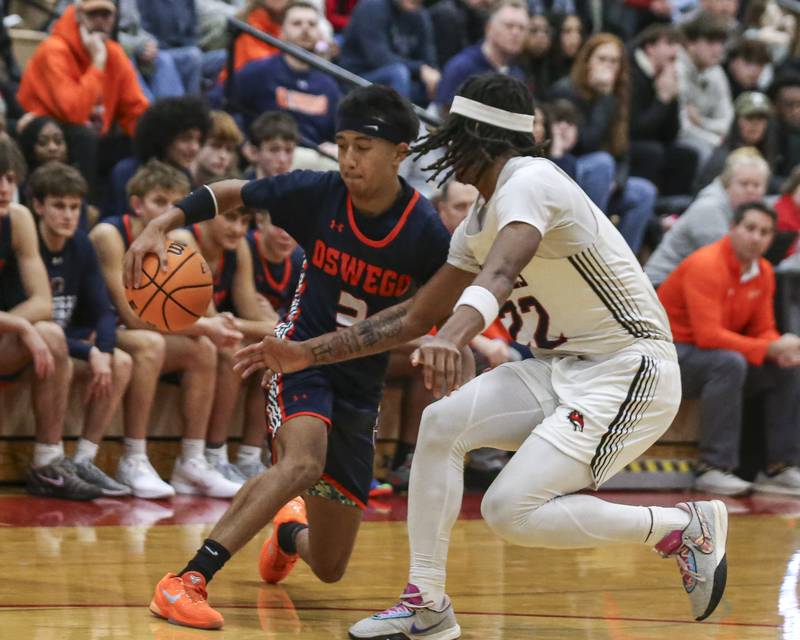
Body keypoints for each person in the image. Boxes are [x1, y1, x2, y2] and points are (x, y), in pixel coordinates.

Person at [223, 73, 728, 636]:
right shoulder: (476, 221)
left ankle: (679, 528)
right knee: (441, 424)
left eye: (455, 134)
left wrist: (454, 335)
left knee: (508, 509)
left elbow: (502, 271)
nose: (444, 147)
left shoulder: (531, 180)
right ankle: (426, 605)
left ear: (484, 138)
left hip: (631, 368)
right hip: (562, 368)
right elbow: (414, 317)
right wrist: (306, 354)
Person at [125, 85, 452, 630]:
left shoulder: (424, 233)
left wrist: (451, 341)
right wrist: (166, 222)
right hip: (296, 356)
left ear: (400, 153)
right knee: (303, 460)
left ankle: (286, 533)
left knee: (328, 566)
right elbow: (237, 191)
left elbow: (436, 308)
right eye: (342, 144)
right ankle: (185, 580)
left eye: (363, 148)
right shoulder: (318, 193)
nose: (348, 158)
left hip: (359, 386)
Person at [91, 159, 243, 498]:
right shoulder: (110, 234)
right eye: (159, 202)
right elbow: (131, 317)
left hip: (143, 331)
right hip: (99, 331)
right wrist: (205, 326)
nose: (166, 214)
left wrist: (213, 326)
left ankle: (192, 462)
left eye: (175, 206)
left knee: (204, 349)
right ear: (137, 204)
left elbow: (200, 311)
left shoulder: (177, 240)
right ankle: (133, 458)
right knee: (152, 344)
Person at [658, 202, 800, 496]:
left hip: (708, 354)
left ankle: (778, 468)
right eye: (750, 228)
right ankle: (713, 468)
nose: (756, 237)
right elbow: (708, 336)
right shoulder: (706, 264)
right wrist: (770, 346)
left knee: (786, 368)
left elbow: (763, 328)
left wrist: (779, 350)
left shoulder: (763, 271)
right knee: (729, 363)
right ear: (732, 228)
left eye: (765, 232)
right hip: (668, 354)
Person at [0, 139, 98, 500]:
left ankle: (47, 463)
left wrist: (21, 325)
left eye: (10, 177)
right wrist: (21, 325)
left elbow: (43, 301)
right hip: (9, 330)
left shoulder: (19, 217)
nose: (4, 187)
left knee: (51, 333)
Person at [30, 161, 134, 497]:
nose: (68, 215)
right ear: (38, 206)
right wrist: (88, 350)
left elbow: (104, 310)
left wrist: (101, 351)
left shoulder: (81, 243)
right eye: (59, 205)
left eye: (75, 207)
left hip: (64, 342)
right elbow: (32, 321)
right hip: (30, 343)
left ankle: (83, 461)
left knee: (121, 361)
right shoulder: (28, 243)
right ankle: (48, 461)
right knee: (54, 336)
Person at [183, 206, 277, 481]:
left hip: (209, 333)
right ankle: (210, 456)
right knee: (229, 350)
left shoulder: (239, 248)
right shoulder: (185, 241)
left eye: (245, 221)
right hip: (169, 332)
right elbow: (210, 318)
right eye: (230, 218)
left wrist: (243, 324)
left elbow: (259, 320)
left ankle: (248, 458)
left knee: (271, 350)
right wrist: (241, 325)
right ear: (207, 215)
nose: (238, 229)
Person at [16, 0, 149, 190]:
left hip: (93, 136)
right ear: (78, 15)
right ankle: (87, 206)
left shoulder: (115, 53)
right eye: (93, 15)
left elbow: (135, 109)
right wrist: (97, 63)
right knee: (83, 136)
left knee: (138, 143)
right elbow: (74, 113)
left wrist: (152, 143)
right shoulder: (54, 49)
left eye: (106, 15)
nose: (100, 21)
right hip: (50, 133)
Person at [550, 33, 658, 254]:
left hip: (603, 179)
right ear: (587, 60)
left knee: (644, 192)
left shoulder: (616, 97)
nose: (607, 66)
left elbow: (623, 151)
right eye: (602, 59)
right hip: (568, 172)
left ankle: (622, 259)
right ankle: (589, 249)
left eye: (614, 61)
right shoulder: (565, 91)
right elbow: (585, 142)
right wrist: (604, 99)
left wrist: (617, 182)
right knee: (602, 163)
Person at [224, 1, 341, 150]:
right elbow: (226, 106)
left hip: (316, 160)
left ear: (320, 34)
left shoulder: (328, 84)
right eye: (297, 23)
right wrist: (243, 143)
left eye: (312, 24)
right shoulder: (259, 72)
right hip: (271, 155)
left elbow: (338, 131)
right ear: (281, 32)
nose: (305, 29)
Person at [645, 147, 769, 286]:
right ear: (728, 184)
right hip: (659, 286)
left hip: (694, 283)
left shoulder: (751, 212)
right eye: (744, 184)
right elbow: (727, 262)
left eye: (757, 185)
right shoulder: (709, 208)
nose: (751, 191)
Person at [105, 97, 211, 218]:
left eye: (199, 140)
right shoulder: (126, 172)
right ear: (163, 138)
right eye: (186, 138)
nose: (195, 148)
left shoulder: (185, 175)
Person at [629, 24, 699, 196]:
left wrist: (672, 98)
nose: (675, 50)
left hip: (652, 143)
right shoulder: (632, 75)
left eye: (677, 44)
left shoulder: (664, 76)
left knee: (687, 155)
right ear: (650, 47)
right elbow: (636, 130)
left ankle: (673, 208)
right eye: (669, 43)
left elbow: (671, 134)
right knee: (653, 152)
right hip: (628, 143)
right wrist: (662, 100)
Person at [434, 0, 528, 114]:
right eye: (509, 26)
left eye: (522, 28)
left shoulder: (518, 76)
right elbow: (443, 116)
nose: (516, 33)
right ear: (488, 28)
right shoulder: (461, 68)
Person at [338, 0, 440, 104]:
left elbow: (429, 60)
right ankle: (398, 119)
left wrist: (433, 76)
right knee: (398, 73)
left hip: (402, 80)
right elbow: (379, 58)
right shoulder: (373, 6)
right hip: (357, 77)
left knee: (435, 82)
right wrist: (419, 68)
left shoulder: (421, 15)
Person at [677, 12, 734, 168]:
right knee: (708, 153)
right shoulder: (676, 69)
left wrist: (702, 122)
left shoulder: (716, 71)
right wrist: (715, 140)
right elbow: (681, 127)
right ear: (690, 43)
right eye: (710, 42)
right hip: (677, 140)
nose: (718, 49)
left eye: (721, 42)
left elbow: (727, 121)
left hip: (707, 136)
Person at [694, 91, 777, 192]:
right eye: (749, 117)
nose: (755, 124)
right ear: (737, 121)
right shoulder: (723, 159)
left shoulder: (769, 150)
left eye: (760, 118)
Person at [192, 111, 244, 185]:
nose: (223, 156)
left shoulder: (235, 188)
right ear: (198, 143)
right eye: (215, 146)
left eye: (229, 149)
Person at [244, 112, 298, 180]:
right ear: (254, 152)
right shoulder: (237, 188)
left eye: (289, 150)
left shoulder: (302, 189)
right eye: (274, 150)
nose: (282, 159)